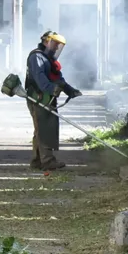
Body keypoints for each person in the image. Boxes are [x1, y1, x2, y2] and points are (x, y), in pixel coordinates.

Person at [25, 31, 82, 171]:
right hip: (38, 97)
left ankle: (37, 161)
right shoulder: (37, 57)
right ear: (46, 42)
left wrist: (70, 90)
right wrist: (52, 89)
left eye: (59, 45)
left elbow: (58, 78)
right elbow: (40, 79)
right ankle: (47, 161)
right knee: (44, 129)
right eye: (55, 44)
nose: (57, 48)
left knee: (41, 129)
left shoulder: (48, 59)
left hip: (47, 97)